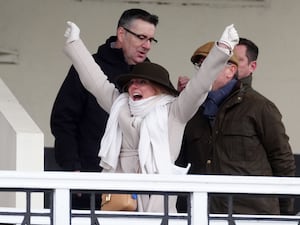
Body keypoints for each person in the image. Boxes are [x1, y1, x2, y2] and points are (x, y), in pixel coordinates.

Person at [62, 21, 239, 212]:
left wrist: (222, 49)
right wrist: (74, 43)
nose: (133, 87)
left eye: (141, 82)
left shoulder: (175, 110)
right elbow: (95, 81)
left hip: (158, 202)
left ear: (159, 89)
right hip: (121, 202)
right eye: (131, 83)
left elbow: (200, 85)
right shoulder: (120, 105)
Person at [50, 8, 159, 209]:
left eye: (151, 40)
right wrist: (73, 168)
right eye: (142, 37)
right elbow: (63, 119)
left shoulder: (151, 74)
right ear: (121, 33)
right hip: (89, 180)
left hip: (135, 184)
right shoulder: (91, 66)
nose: (147, 46)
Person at [176, 40, 296, 215]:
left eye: (211, 65)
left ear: (230, 70)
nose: (203, 72)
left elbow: (282, 160)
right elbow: (180, 163)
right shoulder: (192, 107)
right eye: (200, 66)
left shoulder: (259, 106)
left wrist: (284, 215)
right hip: (200, 213)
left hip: (250, 215)